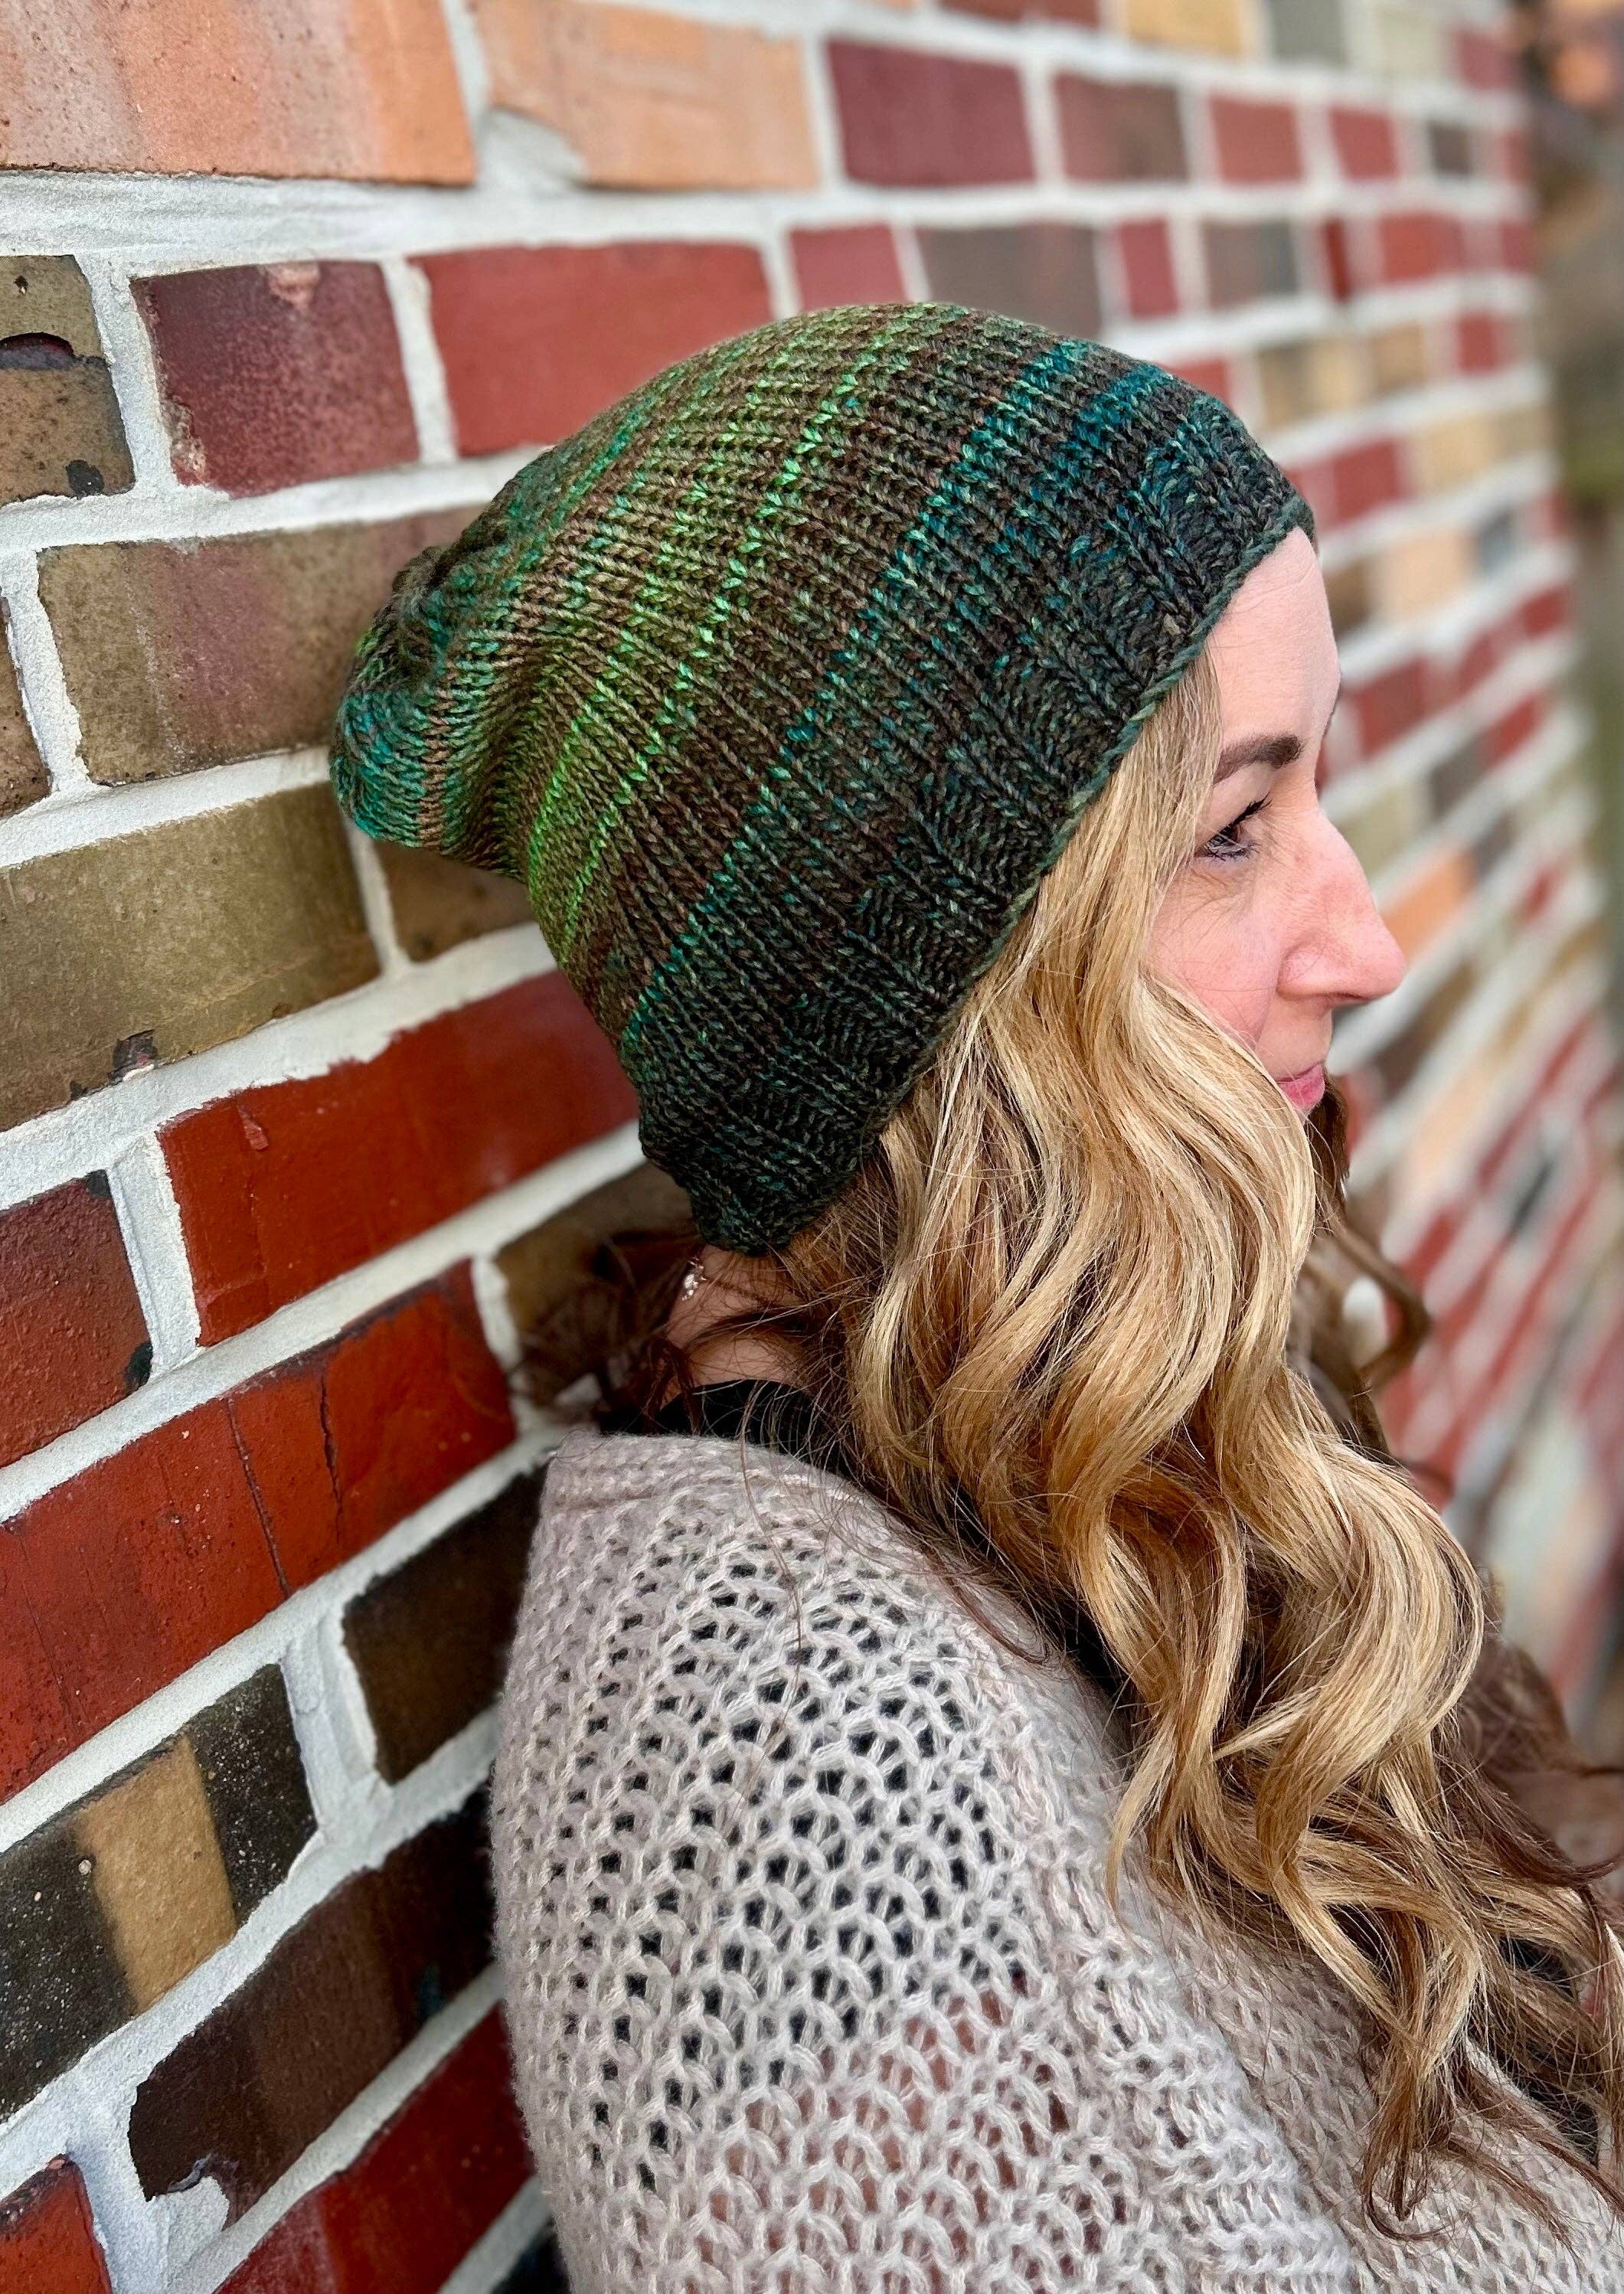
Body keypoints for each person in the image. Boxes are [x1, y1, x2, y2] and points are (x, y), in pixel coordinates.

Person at [331, 302, 1624, 2289]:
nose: (1362, 940)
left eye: (1315, 786)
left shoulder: (1076, 1384)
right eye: (1232, 829)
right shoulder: (814, 1794)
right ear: (928, 989)